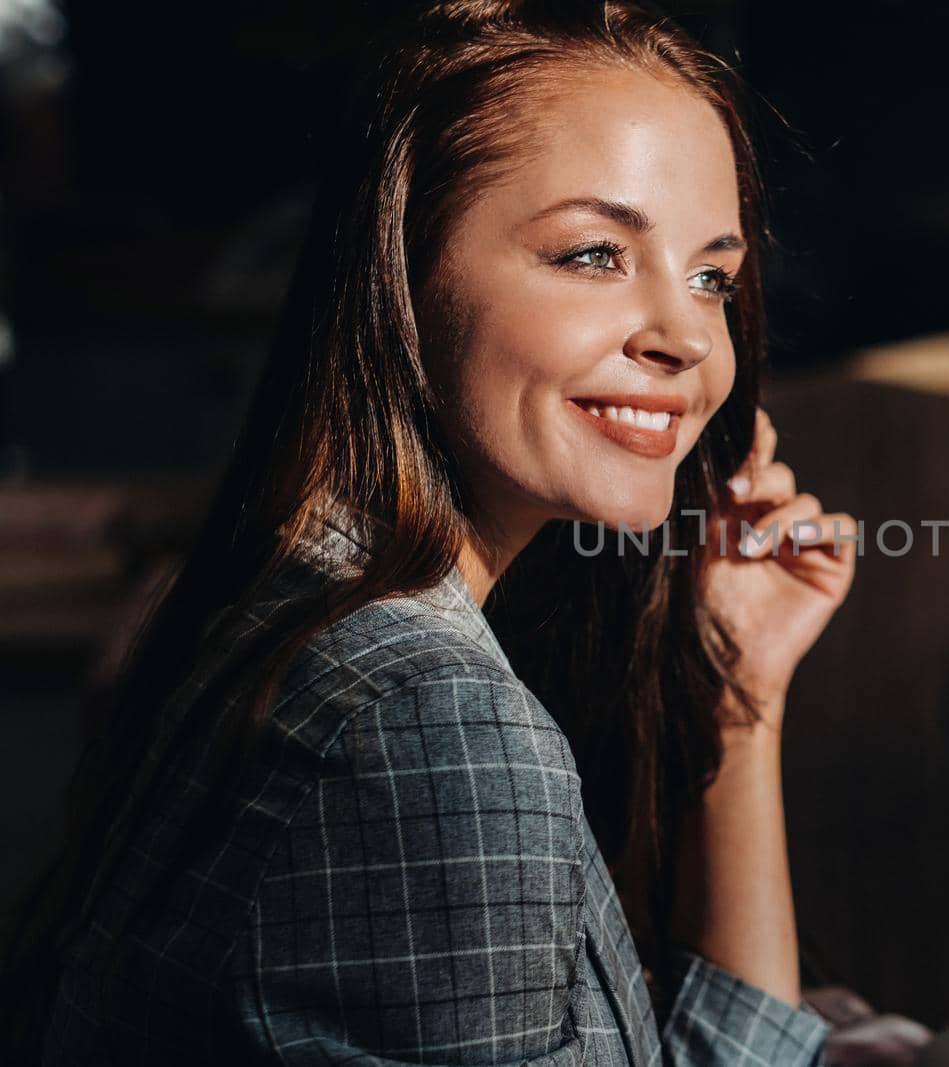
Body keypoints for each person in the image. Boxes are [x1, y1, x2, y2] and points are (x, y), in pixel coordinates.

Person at [0, 2, 866, 1062]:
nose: (687, 335)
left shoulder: (267, 601)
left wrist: (736, 691)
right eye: (595, 252)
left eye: (711, 276)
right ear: (403, 273)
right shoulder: (432, 729)